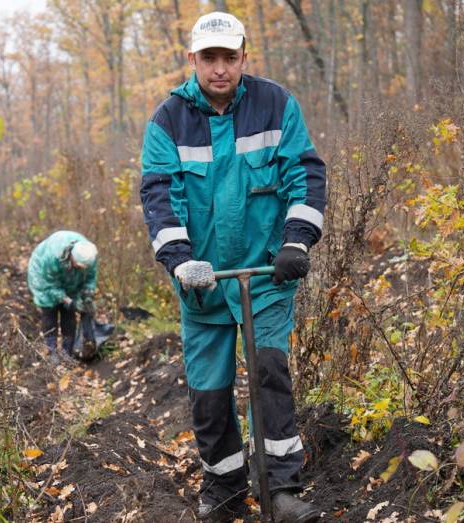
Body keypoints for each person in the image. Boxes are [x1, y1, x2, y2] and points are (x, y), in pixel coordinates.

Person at [139, 11, 326, 523]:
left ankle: (280, 487)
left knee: (269, 373)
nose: (219, 68)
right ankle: (223, 486)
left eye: (229, 57)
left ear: (244, 56)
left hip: (266, 275)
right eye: (209, 58)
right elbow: (160, 197)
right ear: (193, 59)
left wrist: (296, 241)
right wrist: (180, 262)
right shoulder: (168, 120)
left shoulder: (276, 105)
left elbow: (305, 175)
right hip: (203, 283)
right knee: (209, 392)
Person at [27, 231, 98, 364]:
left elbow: (90, 277)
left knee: (69, 315)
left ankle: (67, 353)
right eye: (79, 266)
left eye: (84, 267)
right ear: (72, 257)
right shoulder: (51, 257)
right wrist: (69, 301)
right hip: (43, 278)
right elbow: (50, 286)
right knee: (50, 313)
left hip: (70, 279)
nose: (82, 269)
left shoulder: (89, 254)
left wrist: (88, 295)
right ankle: (52, 351)